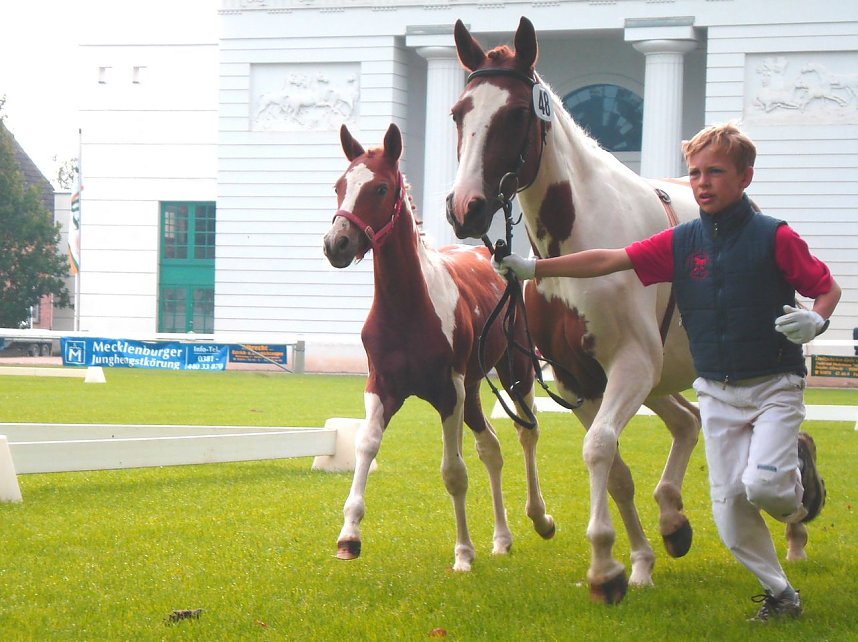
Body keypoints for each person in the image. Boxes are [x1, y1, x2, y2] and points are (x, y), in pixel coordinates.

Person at [494, 122, 842, 621]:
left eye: (715, 172)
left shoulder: (776, 236)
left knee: (763, 488)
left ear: (745, 177)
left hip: (773, 386)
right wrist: (534, 269)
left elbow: (825, 286)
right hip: (716, 394)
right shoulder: (682, 241)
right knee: (729, 512)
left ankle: (799, 497)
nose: (701, 183)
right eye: (695, 173)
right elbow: (609, 260)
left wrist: (817, 318)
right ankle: (781, 594)